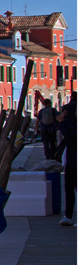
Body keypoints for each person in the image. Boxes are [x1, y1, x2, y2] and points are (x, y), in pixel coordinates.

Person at [56, 94, 76, 226]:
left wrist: (62, 123)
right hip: (70, 160)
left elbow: (70, 137)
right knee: (69, 188)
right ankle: (68, 216)